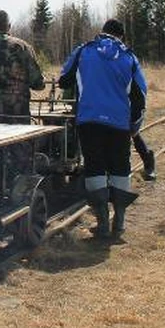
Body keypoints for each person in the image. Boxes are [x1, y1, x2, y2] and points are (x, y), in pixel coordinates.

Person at [59, 18, 147, 239]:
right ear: (121, 36)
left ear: (102, 32)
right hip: (119, 122)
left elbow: (63, 80)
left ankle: (102, 223)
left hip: (89, 119)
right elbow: (140, 95)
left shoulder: (83, 51)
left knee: (94, 165)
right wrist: (134, 125)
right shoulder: (129, 57)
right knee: (120, 165)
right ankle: (119, 222)